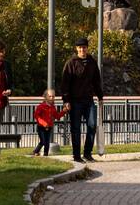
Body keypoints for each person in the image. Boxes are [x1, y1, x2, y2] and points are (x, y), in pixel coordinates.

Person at [60, 36, 103, 164]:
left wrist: (100, 97)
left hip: (89, 100)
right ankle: (77, 155)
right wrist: (66, 100)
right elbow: (65, 84)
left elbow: (96, 81)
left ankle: (87, 153)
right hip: (75, 101)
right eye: (80, 48)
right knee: (76, 129)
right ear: (76, 49)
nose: (82, 50)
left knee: (92, 125)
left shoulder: (92, 62)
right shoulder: (71, 63)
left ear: (87, 48)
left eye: (84, 47)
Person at [32, 89, 64, 157]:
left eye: (53, 96)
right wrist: (44, 123)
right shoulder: (41, 106)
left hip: (49, 127)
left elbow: (57, 116)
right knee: (43, 141)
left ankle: (45, 155)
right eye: (50, 96)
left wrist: (64, 111)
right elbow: (36, 116)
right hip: (41, 127)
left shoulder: (53, 107)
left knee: (47, 142)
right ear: (45, 97)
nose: (51, 98)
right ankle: (35, 151)